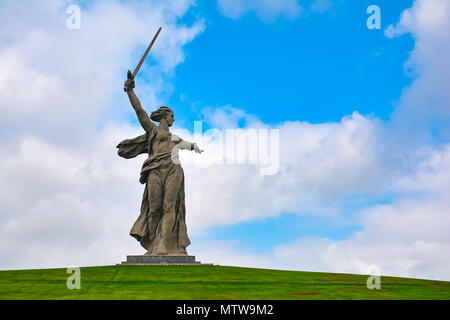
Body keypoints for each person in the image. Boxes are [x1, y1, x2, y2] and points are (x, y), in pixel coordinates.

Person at [118, 71, 203, 255]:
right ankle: (153, 245)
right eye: (172, 116)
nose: (174, 119)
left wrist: (194, 146)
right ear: (165, 116)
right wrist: (130, 92)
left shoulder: (175, 137)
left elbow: (187, 144)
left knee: (170, 207)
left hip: (173, 171)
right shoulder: (153, 131)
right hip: (155, 171)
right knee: (154, 209)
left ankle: (164, 245)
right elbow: (139, 111)